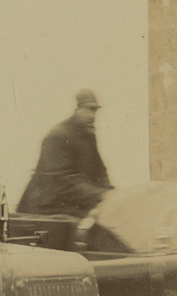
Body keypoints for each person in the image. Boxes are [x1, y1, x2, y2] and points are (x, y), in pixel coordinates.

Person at [16, 89, 114, 217]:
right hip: (43, 210)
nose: (93, 115)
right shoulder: (58, 136)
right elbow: (63, 183)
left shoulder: (88, 136)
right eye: (89, 109)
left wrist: (111, 194)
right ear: (78, 110)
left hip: (69, 206)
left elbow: (100, 171)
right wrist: (102, 195)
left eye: (95, 110)